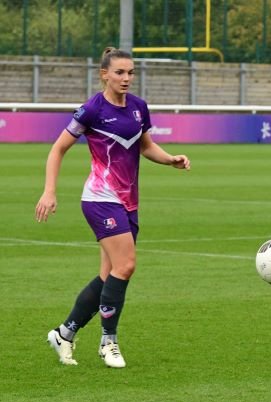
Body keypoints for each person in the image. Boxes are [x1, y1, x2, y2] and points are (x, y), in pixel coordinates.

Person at [34, 47, 191, 368]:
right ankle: (109, 342)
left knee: (109, 276)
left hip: (128, 202)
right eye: (119, 72)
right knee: (127, 265)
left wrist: (170, 159)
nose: (126, 78)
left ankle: (64, 334)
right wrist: (49, 191)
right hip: (100, 199)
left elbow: (146, 146)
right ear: (104, 74)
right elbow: (57, 149)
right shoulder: (92, 109)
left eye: (131, 72)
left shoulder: (138, 108)